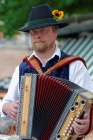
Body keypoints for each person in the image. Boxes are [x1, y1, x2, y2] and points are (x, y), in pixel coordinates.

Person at [0, 4, 93, 137]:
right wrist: (6, 107)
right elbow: (6, 102)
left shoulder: (74, 65)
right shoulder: (22, 67)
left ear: (55, 31)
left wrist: (86, 125)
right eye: (33, 32)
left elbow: (89, 105)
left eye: (42, 30)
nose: (37, 35)